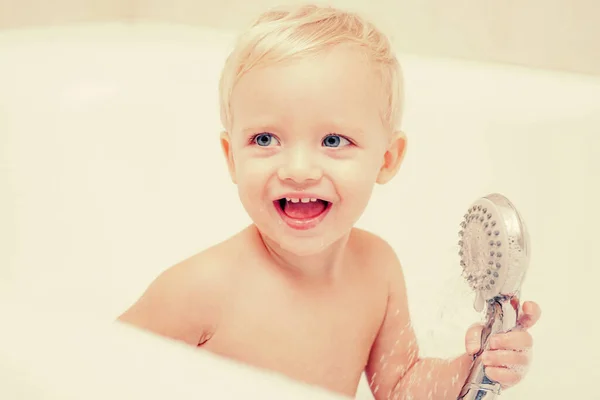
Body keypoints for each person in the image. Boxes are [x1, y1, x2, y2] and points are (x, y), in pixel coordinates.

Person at [118, 4, 541, 399]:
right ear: (232, 157)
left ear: (387, 159)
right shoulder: (200, 288)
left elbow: (400, 384)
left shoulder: (377, 269)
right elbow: (100, 370)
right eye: (265, 139)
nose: (298, 169)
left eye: (333, 140)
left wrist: (475, 366)